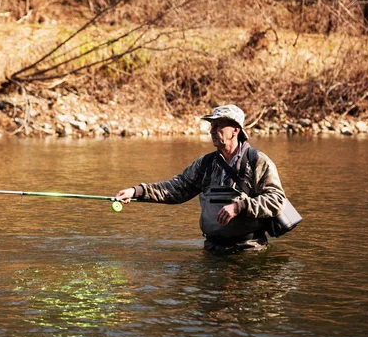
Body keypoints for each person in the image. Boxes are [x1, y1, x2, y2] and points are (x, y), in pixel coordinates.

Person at [115, 104, 286, 254]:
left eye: (218, 125)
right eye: (212, 125)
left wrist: (239, 206)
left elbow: (277, 200)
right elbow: (176, 189)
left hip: (248, 252)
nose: (212, 130)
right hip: (212, 250)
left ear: (235, 130)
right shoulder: (205, 164)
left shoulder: (257, 161)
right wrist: (136, 191)